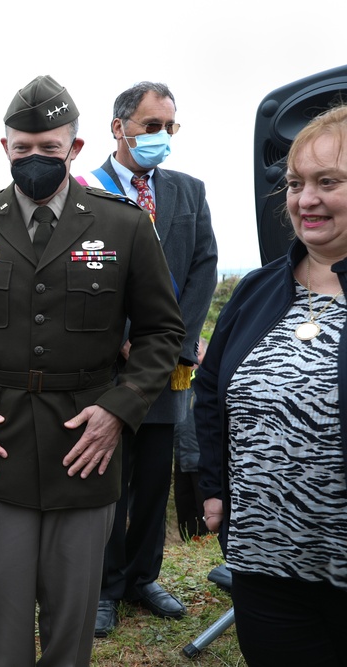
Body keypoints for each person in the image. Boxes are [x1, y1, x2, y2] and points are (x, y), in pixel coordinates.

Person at [0, 74, 184, 667]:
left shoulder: (125, 227)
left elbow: (164, 332)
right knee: (1, 626)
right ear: (5, 147)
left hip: (84, 447)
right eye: (23, 147)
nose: (36, 158)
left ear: (76, 149)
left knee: (72, 626)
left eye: (50, 147)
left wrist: (120, 409)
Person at [195, 104, 347, 667]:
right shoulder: (258, 289)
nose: (305, 199)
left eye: (327, 182)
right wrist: (214, 487)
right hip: (263, 567)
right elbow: (211, 393)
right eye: (295, 184)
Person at [80, 82, 218, 636]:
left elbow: (203, 268)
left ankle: (143, 576)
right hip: (105, 365)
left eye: (169, 126)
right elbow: (76, 276)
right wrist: (120, 336)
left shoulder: (188, 192)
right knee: (110, 478)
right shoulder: (84, 190)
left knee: (154, 477)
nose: (161, 136)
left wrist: (168, 343)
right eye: (150, 125)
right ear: (119, 127)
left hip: (166, 366)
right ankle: (105, 586)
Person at [173, 338, 208, 541]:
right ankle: (189, 543)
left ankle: (207, 543)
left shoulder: (206, 384)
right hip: (182, 458)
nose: (193, 358)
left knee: (204, 510)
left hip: (202, 459)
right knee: (185, 510)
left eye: (198, 353)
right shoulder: (181, 382)